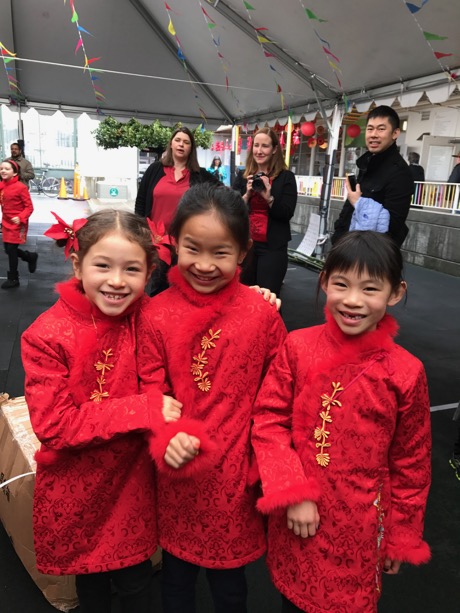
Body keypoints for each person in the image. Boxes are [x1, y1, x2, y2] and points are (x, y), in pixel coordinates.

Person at [251, 231, 432, 613]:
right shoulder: (298, 346)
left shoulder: (405, 372)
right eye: (341, 285)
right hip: (299, 521)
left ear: (395, 293)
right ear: (324, 282)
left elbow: (411, 462)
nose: (352, 300)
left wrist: (402, 534)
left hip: (361, 529)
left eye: (370, 289)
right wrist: (292, 491)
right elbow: (268, 421)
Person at [21, 209, 183, 613]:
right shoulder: (47, 334)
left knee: (135, 580)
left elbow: (201, 317)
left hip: (132, 483)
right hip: (80, 487)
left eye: (131, 269)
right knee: (91, 583)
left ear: (149, 272)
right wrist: (143, 408)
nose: (116, 280)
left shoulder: (149, 317)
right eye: (102, 266)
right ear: (77, 264)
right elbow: (54, 425)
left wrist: (255, 295)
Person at [137, 182, 287, 613]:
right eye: (193, 249)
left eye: (220, 253)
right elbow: (150, 386)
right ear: (173, 244)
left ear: (242, 252)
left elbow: (281, 392)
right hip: (177, 472)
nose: (204, 265)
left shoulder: (261, 315)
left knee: (230, 585)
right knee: (177, 581)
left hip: (236, 477)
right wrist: (167, 432)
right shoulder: (155, 313)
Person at [135, 127, 218, 296]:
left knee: (182, 290)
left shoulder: (200, 175)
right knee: (154, 289)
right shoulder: (155, 170)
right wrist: (141, 230)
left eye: (186, 142)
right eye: (178, 140)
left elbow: (221, 195)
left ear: (191, 148)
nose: (181, 145)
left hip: (186, 244)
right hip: (157, 243)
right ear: (171, 144)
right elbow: (141, 201)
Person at [331, 106, 414, 247]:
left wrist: (360, 203)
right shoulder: (367, 164)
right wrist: (338, 237)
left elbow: (393, 225)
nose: (373, 134)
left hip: (371, 255)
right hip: (346, 247)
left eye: (381, 129)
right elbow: (349, 209)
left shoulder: (400, 172)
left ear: (395, 133)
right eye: (370, 129)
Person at [233, 127, 297, 296]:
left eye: (265, 146)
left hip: (273, 247)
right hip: (245, 245)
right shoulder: (242, 175)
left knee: (267, 297)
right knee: (242, 295)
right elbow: (231, 210)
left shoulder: (286, 177)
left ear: (275, 149)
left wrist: (269, 198)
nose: (259, 151)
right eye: (256, 145)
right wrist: (246, 195)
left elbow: (286, 213)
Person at [0, 159, 38, 289]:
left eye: (6, 169)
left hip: (18, 223)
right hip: (5, 222)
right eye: (1, 169)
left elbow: (29, 207)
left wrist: (20, 217)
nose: (3, 171)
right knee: (8, 249)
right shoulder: (1, 186)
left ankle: (13, 278)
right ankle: (29, 256)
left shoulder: (21, 187)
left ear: (15, 173)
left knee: (11, 250)